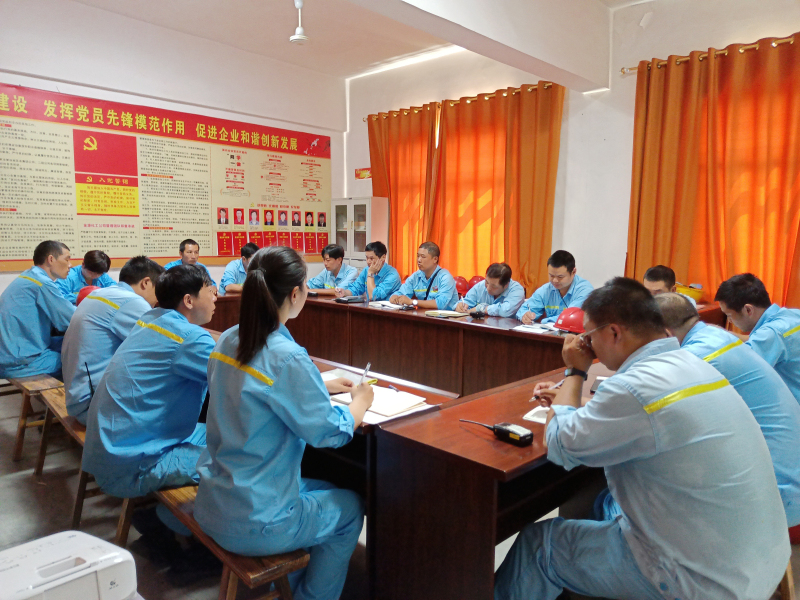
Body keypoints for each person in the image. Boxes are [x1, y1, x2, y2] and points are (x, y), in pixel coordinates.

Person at [495, 277, 789, 600]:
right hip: (759, 560)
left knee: (542, 545)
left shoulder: (634, 388)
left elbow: (560, 443)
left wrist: (575, 373)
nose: (587, 346)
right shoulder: (692, 362)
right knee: (604, 506)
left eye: (589, 337)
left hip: (701, 580)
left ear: (614, 333)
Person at [194, 246, 374, 600]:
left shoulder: (228, 338)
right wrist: (360, 403)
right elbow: (330, 432)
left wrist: (315, 384)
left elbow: (256, 386)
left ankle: (294, 582)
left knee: (324, 484)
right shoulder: (287, 356)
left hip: (214, 500)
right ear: (295, 293)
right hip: (256, 518)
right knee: (351, 508)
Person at [82, 265, 217, 538]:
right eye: (210, 290)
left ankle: (163, 518)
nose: (216, 296)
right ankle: (173, 521)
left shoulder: (150, 320)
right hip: (131, 465)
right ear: (189, 300)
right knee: (235, 459)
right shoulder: (189, 338)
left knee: (214, 433)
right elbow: (238, 381)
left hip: (112, 450)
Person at [649, 292, 800, 527]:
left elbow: (647, 403)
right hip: (787, 476)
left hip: (778, 495)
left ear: (665, 335)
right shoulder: (714, 335)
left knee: (642, 492)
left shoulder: (698, 356)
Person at [61, 257, 164, 424]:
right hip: (94, 407)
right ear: (146, 283)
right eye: (158, 289)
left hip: (78, 397)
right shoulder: (132, 301)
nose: (158, 298)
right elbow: (160, 346)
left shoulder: (98, 293)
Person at [715, 273, 800, 403]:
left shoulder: (770, 334)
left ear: (748, 310)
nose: (730, 321)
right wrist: (723, 333)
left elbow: (738, 371)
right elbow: (757, 339)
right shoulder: (792, 315)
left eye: (729, 315)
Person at [0, 241, 75, 378]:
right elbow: (71, 319)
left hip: (8, 354)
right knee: (80, 358)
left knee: (62, 343)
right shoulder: (41, 283)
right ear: (51, 259)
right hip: (20, 362)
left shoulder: (29, 276)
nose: (70, 265)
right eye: (67, 259)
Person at [516, 250, 593, 323]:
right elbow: (523, 309)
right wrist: (525, 316)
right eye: (551, 275)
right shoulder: (546, 290)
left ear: (573, 272)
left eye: (560, 277)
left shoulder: (584, 290)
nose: (555, 280)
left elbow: (570, 317)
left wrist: (545, 322)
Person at [389, 242, 458, 310]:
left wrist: (413, 302)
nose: (419, 260)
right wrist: (395, 296)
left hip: (445, 316)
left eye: (423, 257)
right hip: (424, 315)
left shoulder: (445, 277)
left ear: (435, 259)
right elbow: (401, 292)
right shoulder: (416, 276)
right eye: (418, 256)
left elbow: (440, 304)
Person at [336, 241, 401, 301]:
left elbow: (373, 296)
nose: (368, 261)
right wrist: (344, 292)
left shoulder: (392, 275)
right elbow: (356, 288)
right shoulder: (366, 270)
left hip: (386, 309)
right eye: (367, 258)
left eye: (371, 258)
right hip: (370, 307)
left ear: (383, 257)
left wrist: (370, 274)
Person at [454, 262, 525, 318]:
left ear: (506, 285)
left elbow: (505, 311)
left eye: (493, 286)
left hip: (507, 329)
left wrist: (481, 308)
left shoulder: (517, 290)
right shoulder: (481, 286)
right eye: (487, 282)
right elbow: (466, 301)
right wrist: (460, 306)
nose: (488, 288)